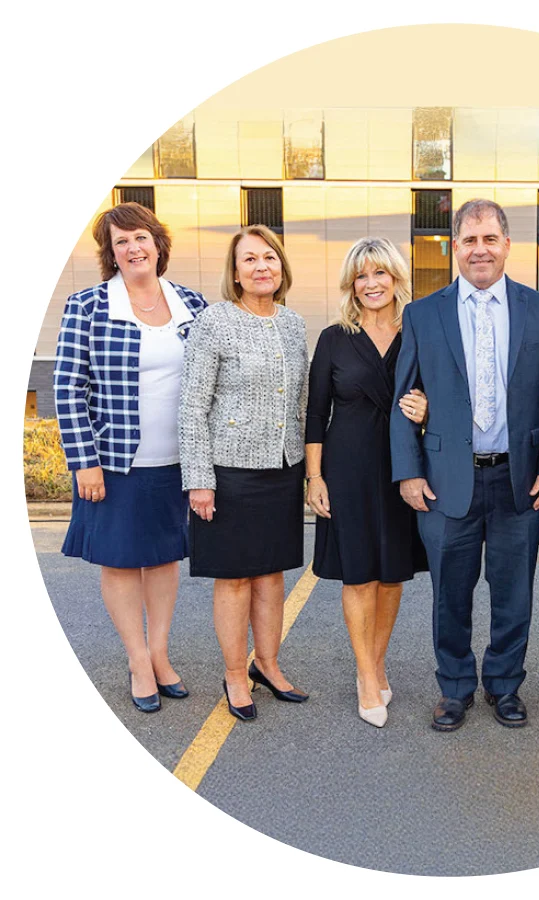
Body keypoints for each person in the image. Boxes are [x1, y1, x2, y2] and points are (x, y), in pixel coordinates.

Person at [390, 198, 539, 732]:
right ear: (455, 247)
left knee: (513, 594)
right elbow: (404, 399)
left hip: (521, 480)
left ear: (507, 244)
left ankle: (505, 685)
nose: (480, 250)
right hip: (446, 481)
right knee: (450, 594)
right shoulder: (423, 314)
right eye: (469, 240)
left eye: (490, 239)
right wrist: (409, 472)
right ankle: (454, 689)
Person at [55, 202, 207, 713]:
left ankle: (160, 654)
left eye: (140, 237)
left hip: (176, 460)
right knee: (121, 562)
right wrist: (84, 461)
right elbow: (67, 388)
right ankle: (138, 660)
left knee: (163, 559)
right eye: (121, 242)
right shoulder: (88, 306)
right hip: (112, 464)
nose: (133, 248)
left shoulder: (192, 304)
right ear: (111, 253)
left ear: (158, 243)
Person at [179, 225, 310, 722]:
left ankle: (268, 665)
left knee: (271, 575)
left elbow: (300, 401)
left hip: (282, 469)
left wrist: (307, 469)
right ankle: (236, 674)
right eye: (250, 259)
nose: (261, 267)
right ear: (234, 272)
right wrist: (200, 478)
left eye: (269, 257)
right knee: (235, 579)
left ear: (281, 267)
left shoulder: (294, 324)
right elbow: (193, 406)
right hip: (228, 473)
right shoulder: (214, 322)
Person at [305, 237, 429, 728]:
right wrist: (315, 477)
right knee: (359, 574)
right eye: (361, 276)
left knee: (392, 574)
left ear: (396, 278)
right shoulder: (335, 337)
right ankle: (365, 675)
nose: (371, 284)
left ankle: (377, 664)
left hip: (403, 467)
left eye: (380, 273)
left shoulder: (418, 331)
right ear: (350, 284)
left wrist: (427, 408)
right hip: (348, 469)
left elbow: (443, 393)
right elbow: (316, 414)